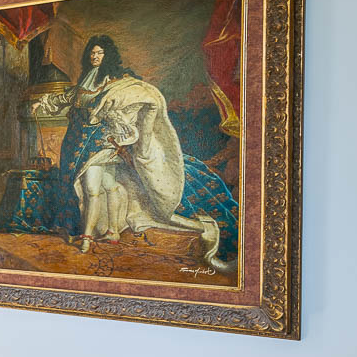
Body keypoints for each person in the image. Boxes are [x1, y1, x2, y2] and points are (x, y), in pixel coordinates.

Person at [31, 35, 234, 269]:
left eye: (99, 53)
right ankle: (112, 231)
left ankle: (86, 237)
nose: (94, 57)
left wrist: (120, 136)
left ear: (108, 56)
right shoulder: (86, 82)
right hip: (75, 144)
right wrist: (43, 103)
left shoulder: (116, 82)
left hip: (102, 144)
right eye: (92, 53)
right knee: (110, 186)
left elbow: (140, 101)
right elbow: (67, 97)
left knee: (91, 188)